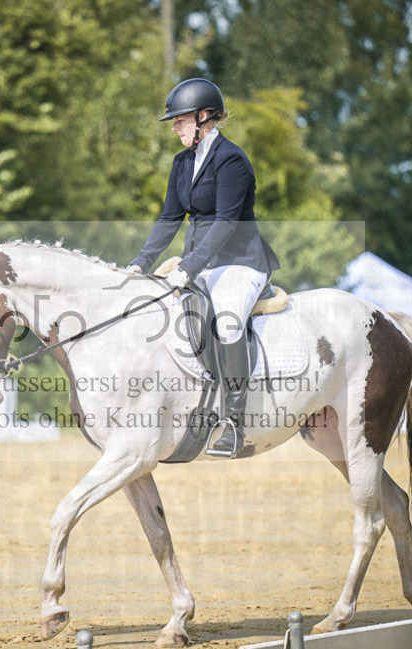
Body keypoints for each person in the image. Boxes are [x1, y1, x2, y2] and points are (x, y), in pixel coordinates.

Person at [126, 78, 280, 456]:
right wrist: (139, 264)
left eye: (179, 120)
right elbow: (168, 219)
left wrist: (189, 267)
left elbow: (227, 222)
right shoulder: (182, 163)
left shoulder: (232, 161)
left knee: (226, 321)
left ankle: (233, 422)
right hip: (199, 263)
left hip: (240, 262)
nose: (175, 127)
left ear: (204, 117)